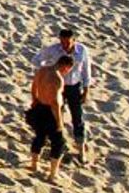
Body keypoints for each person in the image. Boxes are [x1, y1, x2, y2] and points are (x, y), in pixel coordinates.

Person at [33, 27, 94, 159]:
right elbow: (37, 60)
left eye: (67, 42)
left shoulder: (82, 50)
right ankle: (57, 143)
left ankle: (81, 148)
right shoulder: (53, 50)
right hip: (57, 87)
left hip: (74, 86)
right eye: (62, 42)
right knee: (55, 115)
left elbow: (86, 70)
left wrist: (86, 89)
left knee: (77, 117)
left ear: (74, 40)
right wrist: (47, 71)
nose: (64, 45)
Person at [26, 54, 76, 181]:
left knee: (40, 136)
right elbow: (55, 102)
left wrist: (35, 99)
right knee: (58, 142)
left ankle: (34, 165)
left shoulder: (42, 70)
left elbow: (34, 86)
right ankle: (53, 174)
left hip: (40, 106)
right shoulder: (57, 78)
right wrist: (59, 122)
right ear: (66, 66)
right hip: (50, 111)